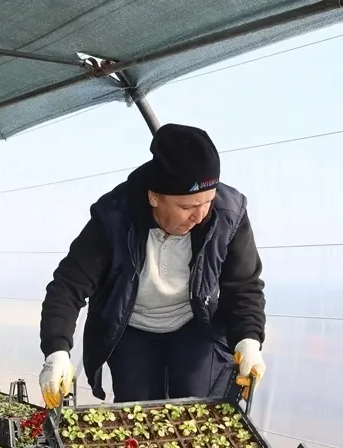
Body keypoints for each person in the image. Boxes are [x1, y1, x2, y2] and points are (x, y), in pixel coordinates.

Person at [38, 124, 267, 406]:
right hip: (133, 326)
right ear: (154, 197)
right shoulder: (113, 218)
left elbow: (243, 285)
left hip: (195, 322)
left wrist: (249, 340)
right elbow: (68, 286)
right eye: (187, 207)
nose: (199, 215)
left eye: (207, 202)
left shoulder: (228, 215)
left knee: (197, 406)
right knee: (138, 407)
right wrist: (56, 351)